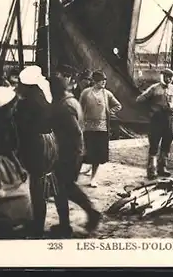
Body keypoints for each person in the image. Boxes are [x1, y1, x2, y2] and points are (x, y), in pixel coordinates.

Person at [49, 76, 102, 238]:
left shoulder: (64, 106)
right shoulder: (71, 101)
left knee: (62, 188)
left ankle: (77, 219)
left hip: (68, 154)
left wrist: (76, 153)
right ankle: (82, 216)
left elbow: (76, 132)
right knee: (64, 188)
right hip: (71, 153)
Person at [14, 65, 60, 238]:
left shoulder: (27, 103)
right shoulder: (43, 97)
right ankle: (37, 224)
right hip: (48, 141)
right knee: (41, 183)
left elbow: (22, 128)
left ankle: (36, 227)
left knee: (35, 187)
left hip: (36, 144)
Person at [0, 86, 33, 239]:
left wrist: (19, 167)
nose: (15, 109)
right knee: (0, 198)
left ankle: (15, 226)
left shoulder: (9, 122)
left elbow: (9, 150)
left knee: (22, 195)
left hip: (6, 164)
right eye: (12, 106)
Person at [136, 68, 173, 180]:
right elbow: (140, 100)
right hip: (156, 119)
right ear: (162, 76)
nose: (169, 79)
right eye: (167, 76)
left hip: (168, 119)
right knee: (154, 144)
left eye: (171, 77)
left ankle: (162, 168)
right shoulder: (154, 88)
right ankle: (152, 170)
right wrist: (149, 112)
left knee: (167, 143)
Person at [79, 70, 122, 188]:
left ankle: (93, 178)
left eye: (104, 80)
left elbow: (118, 105)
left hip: (102, 128)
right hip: (87, 127)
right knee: (84, 151)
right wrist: (80, 122)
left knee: (97, 155)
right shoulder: (86, 93)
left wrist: (109, 112)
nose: (103, 83)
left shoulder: (107, 94)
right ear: (94, 81)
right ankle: (77, 173)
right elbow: (79, 108)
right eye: (100, 80)